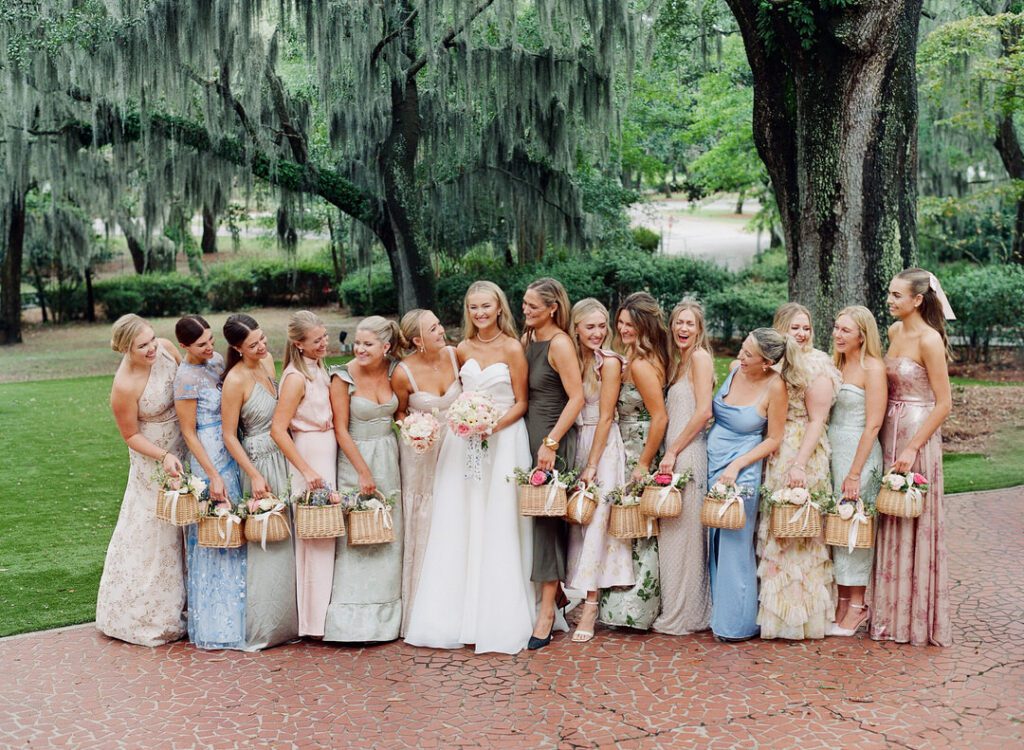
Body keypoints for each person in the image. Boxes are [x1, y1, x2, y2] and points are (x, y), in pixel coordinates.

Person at [404, 281, 536, 654]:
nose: (479, 313)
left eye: (486, 306)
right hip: (465, 444)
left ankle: (498, 614)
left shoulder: (513, 348)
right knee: (462, 521)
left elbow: (522, 402)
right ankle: (457, 614)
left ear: (499, 308)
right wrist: (464, 422)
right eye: (473, 307)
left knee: (499, 522)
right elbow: (456, 392)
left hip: (504, 440)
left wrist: (491, 426)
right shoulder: (460, 349)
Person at [871, 268, 954, 647]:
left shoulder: (929, 340)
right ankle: (888, 614)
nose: (890, 301)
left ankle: (914, 618)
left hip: (916, 433)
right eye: (890, 294)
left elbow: (945, 403)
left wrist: (912, 446)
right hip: (889, 426)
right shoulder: (892, 333)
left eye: (897, 296)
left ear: (917, 300)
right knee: (890, 513)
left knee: (912, 513)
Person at [96, 314, 187, 646]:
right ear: (125, 348)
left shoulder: (166, 349)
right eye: (142, 345)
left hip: (184, 444)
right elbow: (130, 435)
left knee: (189, 518)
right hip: (154, 460)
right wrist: (163, 456)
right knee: (157, 528)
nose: (152, 348)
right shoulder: (124, 385)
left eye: (152, 339)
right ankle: (151, 612)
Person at [756, 304, 840, 640]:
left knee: (802, 528)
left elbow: (817, 419)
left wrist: (799, 464)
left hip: (803, 448)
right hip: (775, 449)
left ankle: (805, 617)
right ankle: (774, 615)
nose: (802, 334)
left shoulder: (817, 363)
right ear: (781, 330)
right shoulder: (771, 363)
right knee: (778, 528)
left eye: (806, 328)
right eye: (795, 328)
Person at [221, 313, 299, 650]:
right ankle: (269, 625)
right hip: (260, 462)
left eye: (263, 339)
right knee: (271, 543)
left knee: (293, 534)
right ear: (238, 348)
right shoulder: (235, 381)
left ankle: (299, 619)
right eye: (253, 344)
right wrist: (253, 474)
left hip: (283, 452)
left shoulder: (267, 362)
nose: (262, 346)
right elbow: (228, 435)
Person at [325, 316, 404, 642]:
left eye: (367, 344)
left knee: (388, 533)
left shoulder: (393, 371)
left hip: (389, 457)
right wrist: (362, 471)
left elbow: (402, 412)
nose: (359, 349)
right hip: (356, 459)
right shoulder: (342, 376)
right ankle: (350, 622)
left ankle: (387, 619)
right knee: (357, 538)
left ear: (385, 347)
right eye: (357, 342)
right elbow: (341, 429)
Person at [706, 328, 787, 641]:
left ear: (766, 362)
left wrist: (738, 465)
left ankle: (736, 624)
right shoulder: (735, 369)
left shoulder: (774, 386)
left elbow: (774, 438)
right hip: (714, 465)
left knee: (735, 542)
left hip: (743, 469)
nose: (739, 356)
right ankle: (717, 613)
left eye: (748, 354)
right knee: (714, 536)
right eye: (742, 348)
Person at [173, 315, 246, 650]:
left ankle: (246, 614)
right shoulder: (186, 378)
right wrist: (212, 475)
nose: (209, 347)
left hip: (231, 447)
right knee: (214, 533)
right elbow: (188, 432)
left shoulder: (217, 362)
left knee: (236, 529)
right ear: (184, 346)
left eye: (210, 340)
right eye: (201, 344)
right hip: (208, 457)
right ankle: (218, 624)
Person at [565, 299, 635, 644]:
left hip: (602, 446)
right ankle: (574, 594)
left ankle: (591, 605)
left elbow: (606, 416)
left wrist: (592, 464)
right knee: (576, 521)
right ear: (576, 328)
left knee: (596, 523)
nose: (597, 333)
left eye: (601, 326)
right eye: (589, 327)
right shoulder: (571, 359)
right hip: (576, 440)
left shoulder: (608, 363)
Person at [599, 292, 670, 631]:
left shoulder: (641, 365)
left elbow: (659, 418)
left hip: (638, 446)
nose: (622, 328)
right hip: (627, 444)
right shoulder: (636, 357)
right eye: (621, 322)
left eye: (630, 324)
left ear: (644, 326)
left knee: (638, 525)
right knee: (632, 525)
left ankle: (635, 608)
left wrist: (643, 464)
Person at [521, 278, 584, 650]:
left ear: (552, 308)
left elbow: (575, 398)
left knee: (547, 525)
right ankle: (555, 594)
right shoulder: (529, 340)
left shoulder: (559, 344)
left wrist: (551, 442)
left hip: (551, 438)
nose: (525, 309)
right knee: (534, 519)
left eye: (532, 305)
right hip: (529, 435)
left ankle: (546, 614)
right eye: (525, 304)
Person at [392, 309, 461, 636]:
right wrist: (413, 430)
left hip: (459, 449)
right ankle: (423, 605)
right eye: (433, 328)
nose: (441, 330)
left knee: (456, 516)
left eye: (439, 323)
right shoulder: (404, 373)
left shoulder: (455, 354)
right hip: (423, 455)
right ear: (417, 340)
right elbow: (400, 412)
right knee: (428, 518)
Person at [271, 310, 336, 638]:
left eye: (325, 336)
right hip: (309, 453)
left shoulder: (317, 367)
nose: (324, 343)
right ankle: (313, 621)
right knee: (315, 536)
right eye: (317, 340)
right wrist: (307, 470)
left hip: (326, 446)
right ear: (298, 344)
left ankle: (325, 612)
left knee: (328, 530)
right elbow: (278, 430)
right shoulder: (296, 377)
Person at [653, 300, 714, 635]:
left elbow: (703, 412)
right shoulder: (679, 363)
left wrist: (673, 450)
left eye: (689, 323)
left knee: (688, 537)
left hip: (687, 454)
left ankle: (689, 613)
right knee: (672, 537)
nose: (683, 329)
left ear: (699, 328)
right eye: (678, 322)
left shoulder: (701, 359)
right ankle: (672, 606)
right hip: (672, 455)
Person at [828, 306, 886, 636]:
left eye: (845, 330)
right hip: (834, 451)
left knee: (855, 529)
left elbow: (874, 422)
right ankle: (840, 600)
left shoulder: (872, 367)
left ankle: (858, 605)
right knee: (835, 528)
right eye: (836, 328)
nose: (837, 334)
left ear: (862, 335)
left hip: (859, 453)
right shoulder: (835, 364)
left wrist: (854, 472)